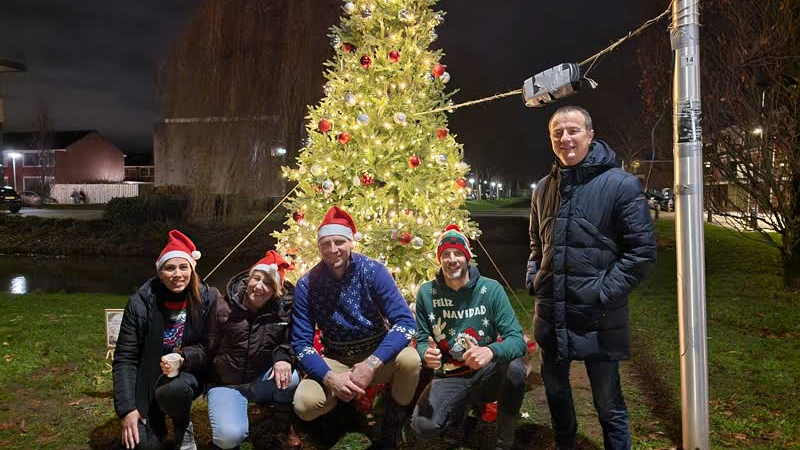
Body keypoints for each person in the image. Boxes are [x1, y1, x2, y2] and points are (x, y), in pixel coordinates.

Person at [526, 106, 656, 450]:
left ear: (590, 135)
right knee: (555, 392)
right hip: (552, 313)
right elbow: (537, 244)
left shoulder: (621, 185)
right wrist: (534, 278)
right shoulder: (543, 188)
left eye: (573, 130)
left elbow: (641, 253)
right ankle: (565, 444)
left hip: (598, 318)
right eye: (557, 133)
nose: (565, 138)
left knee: (607, 402)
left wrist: (602, 293)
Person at [291, 206, 421, 449]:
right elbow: (300, 343)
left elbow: (405, 322)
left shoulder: (373, 271)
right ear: (319, 247)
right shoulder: (307, 284)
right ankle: (341, 414)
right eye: (325, 244)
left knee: (410, 360)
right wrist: (330, 378)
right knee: (304, 405)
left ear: (351, 242)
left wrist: (371, 364)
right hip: (336, 359)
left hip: (377, 355)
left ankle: (392, 423)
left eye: (339, 242)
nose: (333, 249)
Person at [411, 225, 528, 450]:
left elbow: (517, 340)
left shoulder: (491, 289)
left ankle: (504, 442)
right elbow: (423, 338)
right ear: (439, 259)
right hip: (450, 373)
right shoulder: (427, 293)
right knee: (422, 427)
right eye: (445, 254)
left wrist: (491, 350)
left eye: (458, 253)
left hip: (488, 371)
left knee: (515, 369)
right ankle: (459, 413)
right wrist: (425, 352)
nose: (452, 259)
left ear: (467, 257)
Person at [179, 250, 303, 450]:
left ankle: (282, 425)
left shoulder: (283, 311)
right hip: (226, 384)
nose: (259, 286)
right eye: (256, 278)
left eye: (268, 283)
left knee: (292, 378)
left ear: (276, 290)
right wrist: (183, 356)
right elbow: (206, 346)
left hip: (260, 380)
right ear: (249, 278)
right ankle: (229, 425)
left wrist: (283, 358)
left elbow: (291, 342)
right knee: (228, 438)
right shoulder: (222, 306)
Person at [113, 230, 220, 450]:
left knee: (174, 390)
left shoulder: (208, 298)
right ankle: (155, 420)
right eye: (170, 268)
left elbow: (209, 347)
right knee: (143, 445)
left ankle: (182, 426)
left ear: (192, 269)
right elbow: (125, 358)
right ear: (160, 272)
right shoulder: (140, 302)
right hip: (148, 376)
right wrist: (127, 409)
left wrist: (183, 357)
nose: (177, 274)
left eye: (183, 267)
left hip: (188, 373)